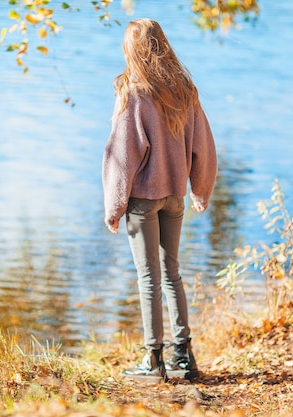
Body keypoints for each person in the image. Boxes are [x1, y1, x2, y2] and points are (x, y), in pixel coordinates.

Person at [102, 18, 218, 382]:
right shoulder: (186, 90)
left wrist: (114, 206)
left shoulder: (134, 92)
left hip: (142, 200)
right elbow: (204, 147)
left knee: (148, 277)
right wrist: (201, 189)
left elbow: (124, 155)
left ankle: (153, 361)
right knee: (172, 274)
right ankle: (184, 358)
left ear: (132, 50)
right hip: (174, 198)